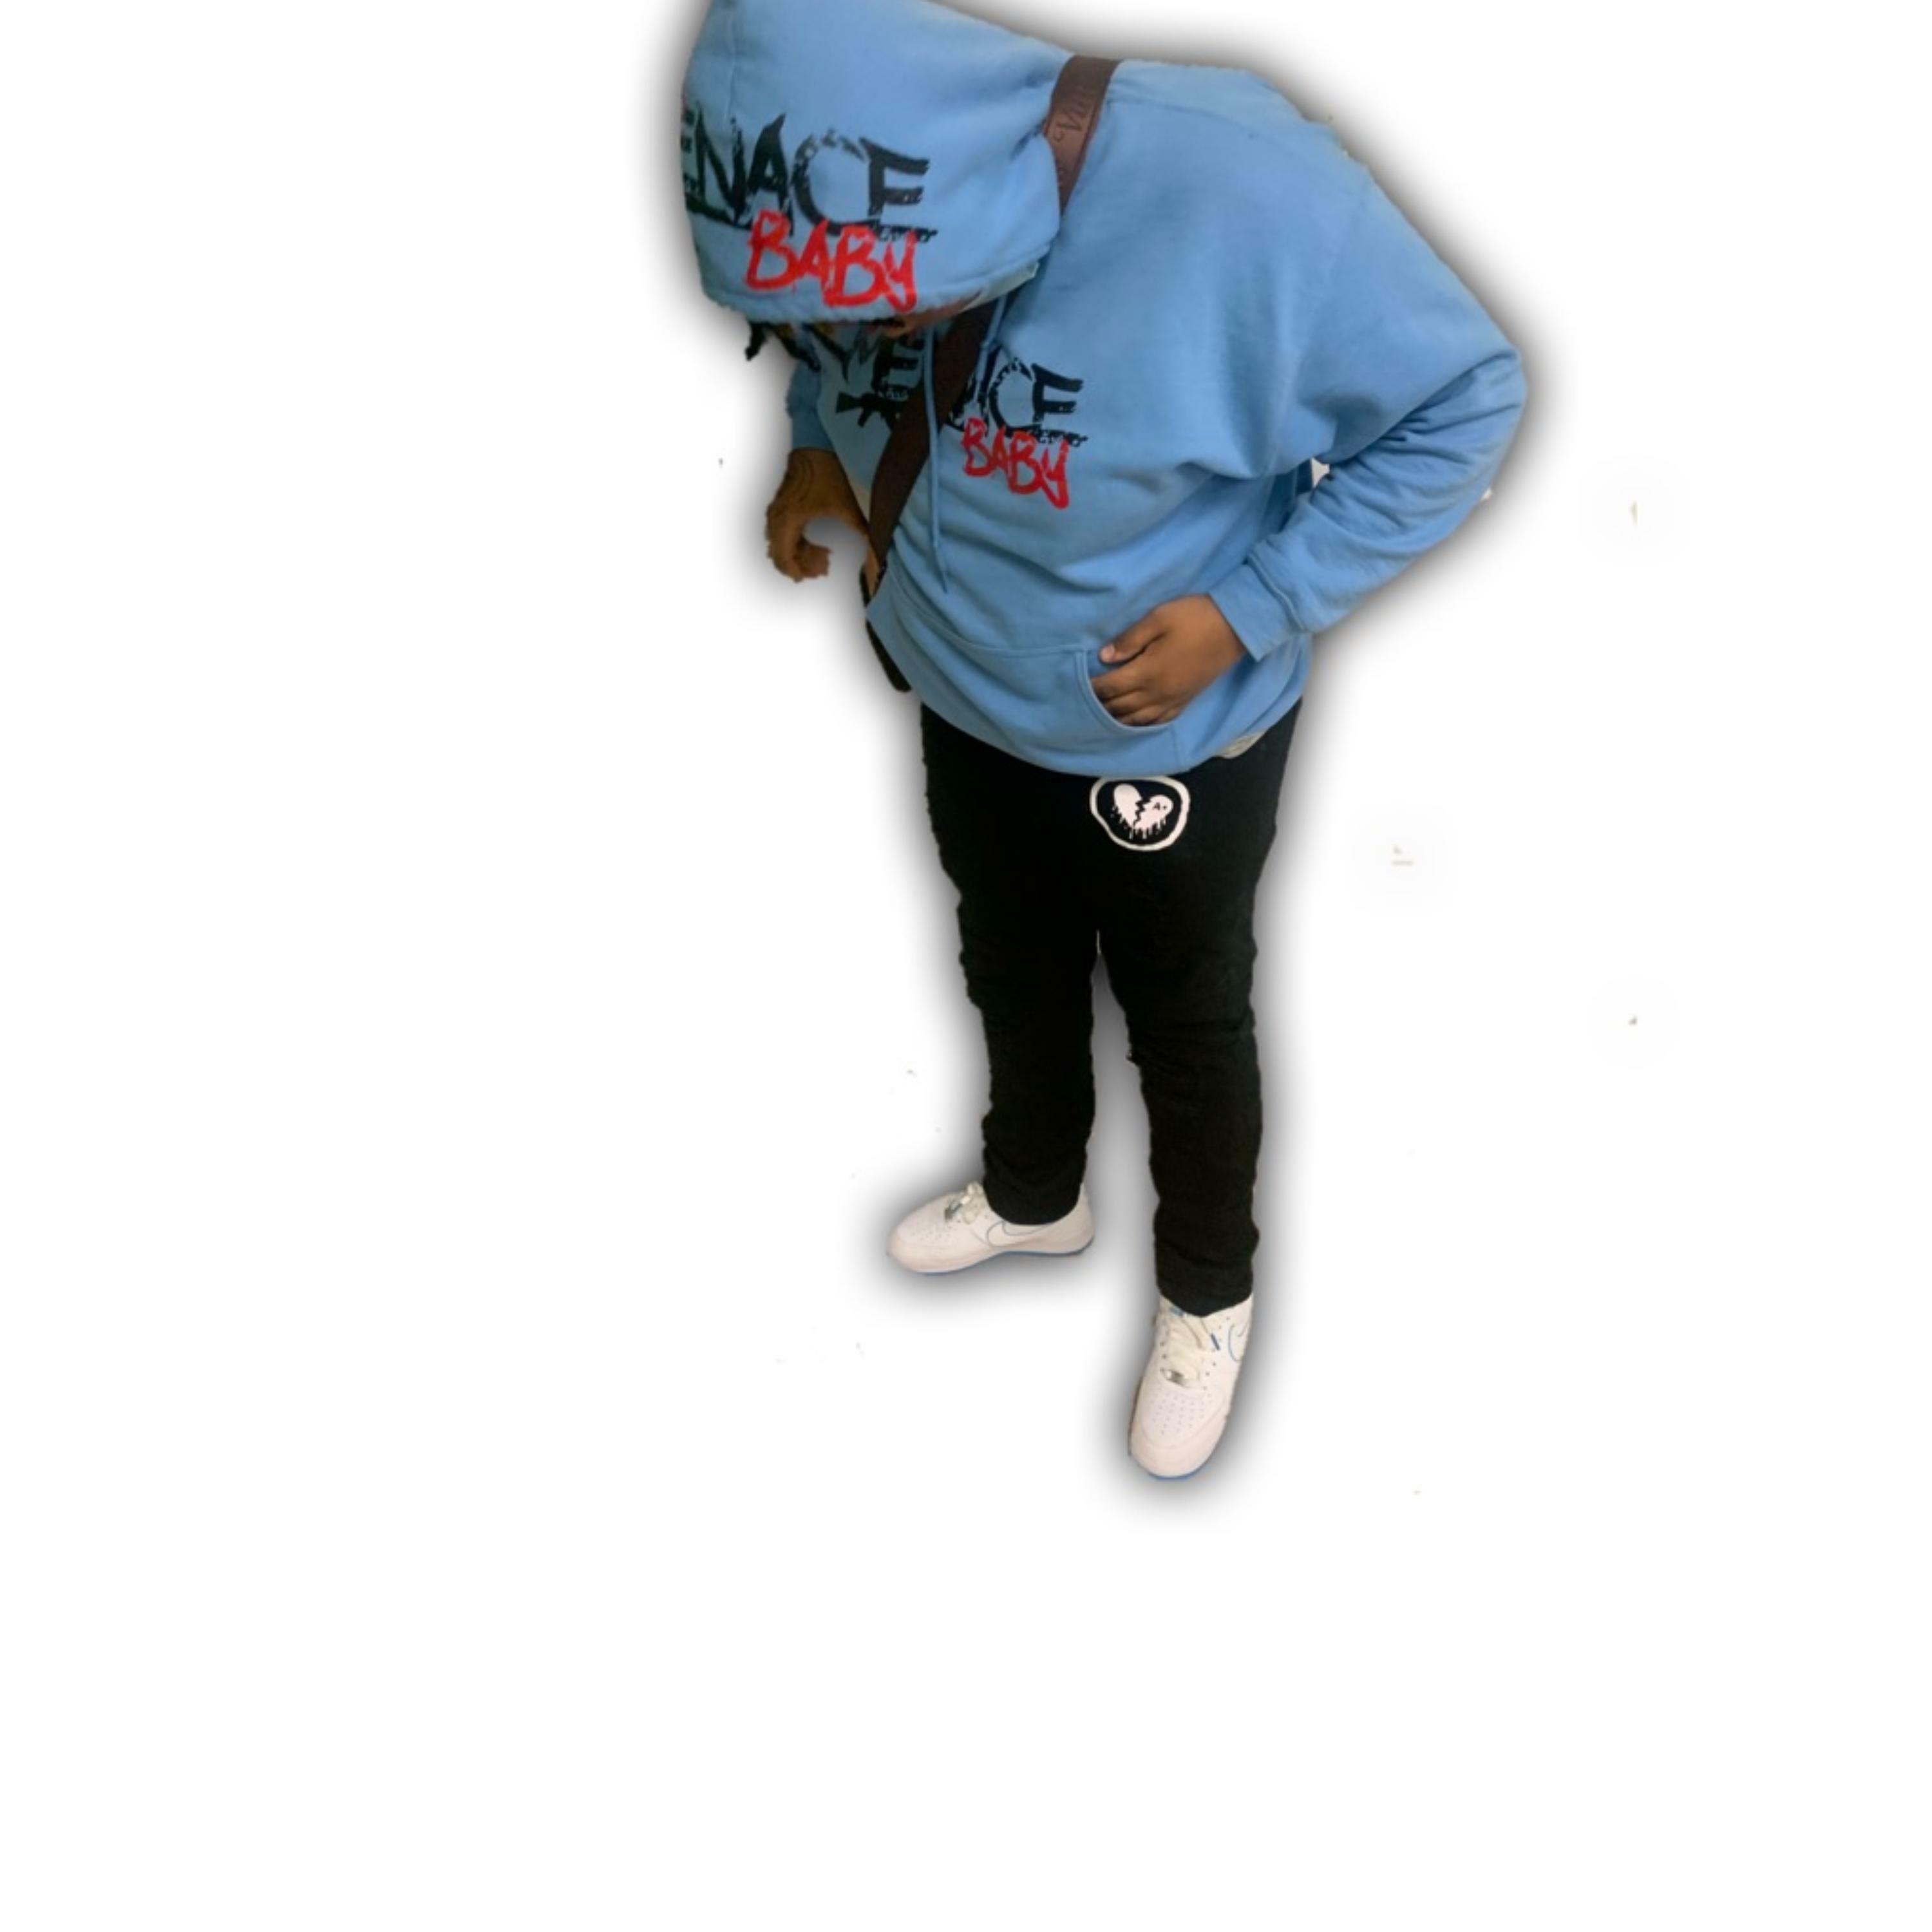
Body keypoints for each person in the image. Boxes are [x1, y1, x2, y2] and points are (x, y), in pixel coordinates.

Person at [677, 0, 1526, 1478]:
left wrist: (1253, 608)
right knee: (1005, 954)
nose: (862, 334)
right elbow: (834, 318)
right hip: (957, 674)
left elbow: (1467, 398)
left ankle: (1208, 1293)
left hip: (1164, 730)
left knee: (1185, 1021)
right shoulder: (846, 208)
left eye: (891, 306)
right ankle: (1035, 1191)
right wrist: (819, 437)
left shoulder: (1244, 181)